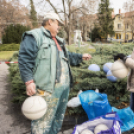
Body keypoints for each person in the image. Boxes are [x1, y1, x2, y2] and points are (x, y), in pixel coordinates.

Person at [18, 12, 92, 134]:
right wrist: (29, 81)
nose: (59, 27)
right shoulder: (34, 36)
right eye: (58, 24)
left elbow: (67, 57)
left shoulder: (59, 41)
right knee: (42, 125)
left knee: (57, 121)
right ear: (50, 21)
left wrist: (81, 56)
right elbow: (25, 59)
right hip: (47, 91)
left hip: (63, 90)